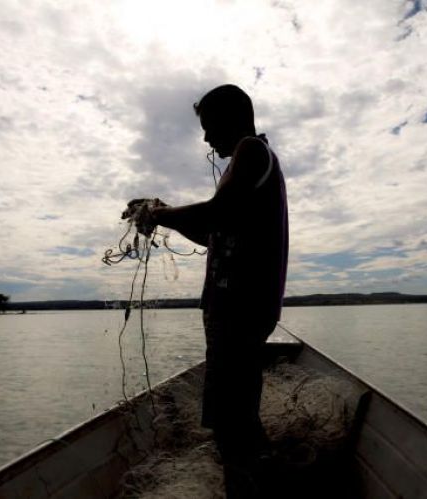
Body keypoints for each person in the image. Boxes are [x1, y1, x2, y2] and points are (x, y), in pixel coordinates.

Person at [128, 84, 288, 497]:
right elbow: (209, 228)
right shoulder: (249, 165)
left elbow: (215, 213)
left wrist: (156, 213)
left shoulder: (251, 150)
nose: (205, 138)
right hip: (238, 312)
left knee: (232, 425)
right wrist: (164, 212)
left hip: (240, 311)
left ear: (233, 118)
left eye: (209, 126)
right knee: (236, 418)